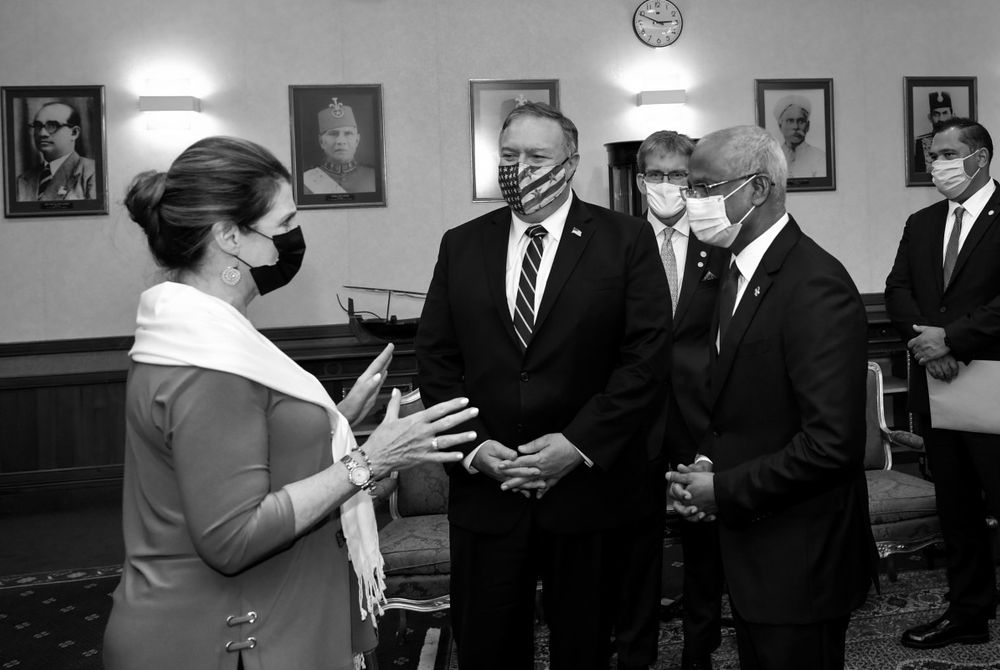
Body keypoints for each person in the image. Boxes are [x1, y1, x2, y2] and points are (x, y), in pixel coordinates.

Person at [102, 136, 479, 670]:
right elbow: (233, 537)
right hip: (228, 639)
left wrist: (336, 420)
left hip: (259, 620)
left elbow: (235, 451)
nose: (293, 241)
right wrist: (370, 461)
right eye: (282, 225)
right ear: (229, 237)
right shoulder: (206, 360)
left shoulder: (198, 333)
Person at [415, 102, 672, 670]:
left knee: (584, 649)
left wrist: (575, 446)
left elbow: (646, 361)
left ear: (572, 163)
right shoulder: (462, 244)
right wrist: (476, 449)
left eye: (538, 156)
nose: (522, 168)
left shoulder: (624, 240)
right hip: (488, 492)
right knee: (486, 649)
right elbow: (434, 359)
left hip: (587, 494)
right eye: (509, 156)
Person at [666, 125, 878, 670]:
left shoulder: (814, 285)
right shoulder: (729, 272)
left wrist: (723, 489)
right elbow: (740, 404)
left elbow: (830, 445)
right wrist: (708, 465)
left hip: (800, 557)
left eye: (705, 187)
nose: (692, 202)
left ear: (757, 190)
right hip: (753, 549)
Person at [885, 117, 1000, 650]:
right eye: (933, 156)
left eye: (948, 154)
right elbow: (898, 290)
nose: (937, 165)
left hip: (993, 386)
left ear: (980, 158)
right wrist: (928, 346)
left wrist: (952, 339)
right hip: (938, 385)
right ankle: (969, 613)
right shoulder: (922, 221)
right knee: (956, 509)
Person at [619, 130, 726, 670]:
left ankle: (699, 653)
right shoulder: (616, 246)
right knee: (634, 548)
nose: (668, 186)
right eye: (657, 175)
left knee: (703, 542)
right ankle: (634, 654)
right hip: (632, 423)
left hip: (697, 419)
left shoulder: (721, 247)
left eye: (680, 175)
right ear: (641, 184)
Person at [16, 100, 96, 201]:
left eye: (52, 125)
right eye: (38, 126)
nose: (42, 133)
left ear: (74, 133)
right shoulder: (23, 180)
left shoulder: (91, 172)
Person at [303, 97, 377, 194]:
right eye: (333, 134)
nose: (341, 141)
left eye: (348, 133)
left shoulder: (373, 177)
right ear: (321, 141)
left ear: (357, 140)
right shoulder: (304, 181)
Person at [773, 94, 825, 179]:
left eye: (801, 121)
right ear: (780, 126)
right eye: (790, 121)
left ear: (808, 126)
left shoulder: (820, 158)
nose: (796, 127)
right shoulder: (773, 158)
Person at [913, 91, 954, 173]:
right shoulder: (919, 144)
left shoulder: (961, 141)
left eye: (945, 113)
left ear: (952, 115)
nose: (941, 119)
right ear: (930, 117)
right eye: (936, 114)